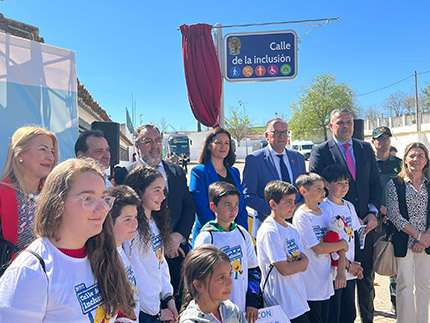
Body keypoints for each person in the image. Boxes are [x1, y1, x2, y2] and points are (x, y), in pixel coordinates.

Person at [0, 158, 135, 321]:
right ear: (57, 202)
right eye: (88, 199)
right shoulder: (31, 271)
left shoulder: (101, 255)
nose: (102, 209)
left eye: (104, 199)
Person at [309, 108, 382, 323]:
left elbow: (375, 184)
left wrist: (372, 213)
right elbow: (317, 186)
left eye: (349, 122)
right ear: (331, 126)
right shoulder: (321, 151)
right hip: (335, 226)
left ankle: (368, 319)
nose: (346, 126)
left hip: (365, 226)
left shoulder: (365, 148)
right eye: (340, 123)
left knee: (366, 276)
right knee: (340, 278)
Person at [114, 123, 195, 309]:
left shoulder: (176, 171)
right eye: (148, 141)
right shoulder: (124, 174)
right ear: (137, 146)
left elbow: (189, 207)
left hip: (174, 252)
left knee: (174, 303)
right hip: (139, 260)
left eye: (158, 140)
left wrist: (177, 236)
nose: (154, 145)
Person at [194, 181, 260, 323]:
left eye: (236, 204)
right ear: (213, 207)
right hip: (217, 313)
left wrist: (253, 301)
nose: (233, 210)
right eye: (227, 205)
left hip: (242, 309)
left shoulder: (242, 233)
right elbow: (199, 279)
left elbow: (253, 270)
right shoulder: (207, 237)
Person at [124, 165, 178, 323]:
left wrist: (169, 297)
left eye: (163, 191)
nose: (162, 196)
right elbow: (131, 275)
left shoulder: (155, 223)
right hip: (139, 313)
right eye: (157, 191)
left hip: (156, 310)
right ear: (140, 191)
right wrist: (154, 313)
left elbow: (160, 264)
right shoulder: (130, 230)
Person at [292, 173, 348, 323]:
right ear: (303, 191)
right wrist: (341, 245)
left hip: (327, 280)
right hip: (311, 283)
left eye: (323, 189)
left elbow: (342, 241)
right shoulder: (302, 216)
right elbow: (317, 248)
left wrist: (341, 270)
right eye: (318, 189)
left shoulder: (326, 211)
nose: (323, 193)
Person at [386, 142, 430, 323]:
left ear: (426, 160)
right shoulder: (394, 183)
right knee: (404, 285)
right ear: (405, 159)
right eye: (412, 155)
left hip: (427, 243)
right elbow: (394, 215)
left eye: (420, 156)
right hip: (404, 241)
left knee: (424, 285)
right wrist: (418, 236)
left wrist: (426, 238)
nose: (416, 159)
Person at [257, 180, 310, 323]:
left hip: (297, 298)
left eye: (293, 201)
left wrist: (298, 261)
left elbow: (305, 264)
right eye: (288, 202)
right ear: (273, 204)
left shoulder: (292, 229)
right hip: (280, 302)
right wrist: (298, 262)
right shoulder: (270, 231)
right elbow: (284, 269)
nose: (293, 206)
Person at [242, 118, 306, 237]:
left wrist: (299, 206)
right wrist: (277, 211)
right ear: (267, 135)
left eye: (285, 132)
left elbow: (304, 189)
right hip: (269, 228)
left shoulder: (298, 158)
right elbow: (248, 196)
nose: (282, 136)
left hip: (296, 226)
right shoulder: (255, 160)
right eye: (276, 132)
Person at [0, 126, 58, 251]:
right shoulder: (2, 194)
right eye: (43, 149)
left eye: (52, 151)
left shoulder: (54, 197)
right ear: (20, 154)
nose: (51, 157)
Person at [320, 165, 364, 323]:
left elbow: (355, 236)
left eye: (346, 183)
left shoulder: (349, 206)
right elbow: (328, 244)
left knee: (349, 314)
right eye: (339, 183)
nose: (344, 187)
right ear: (326, 184)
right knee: (334, 315)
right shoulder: (324, 209)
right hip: (334, 272)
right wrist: (346, 264)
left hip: (350, 271)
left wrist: (356, 264)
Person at [190, 128, 248, 242]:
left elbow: (241, 206)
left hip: (235, 234)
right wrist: (222, 232)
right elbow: (202, 208)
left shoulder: (234, 172)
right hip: (212, 236)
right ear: (208, 146)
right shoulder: (199, 172)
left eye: (227, 143)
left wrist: (241, 233)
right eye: (218, 142)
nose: (223, 146)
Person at [371, 126, 402, 314]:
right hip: (373, 219)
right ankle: (369, 304)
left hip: (395, 220)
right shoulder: (368, 164)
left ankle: (396, 303)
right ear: (373, 142)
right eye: (379, 138)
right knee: (371, 261)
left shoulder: (399, 163)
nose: (383, 141)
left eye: (386, 138)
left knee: (394, 262)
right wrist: (378, 207)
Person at [180, 244, 247, 323]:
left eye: (230, 274)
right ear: (199, 285)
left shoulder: (232, 310)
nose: (230, 283)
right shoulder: (191, 320)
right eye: (221, 278)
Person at [107, 185, 143, 322]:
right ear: (109, 221)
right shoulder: (107, 260)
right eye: (127, 219)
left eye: (135, 217)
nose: (135, 224)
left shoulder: (121, 251)